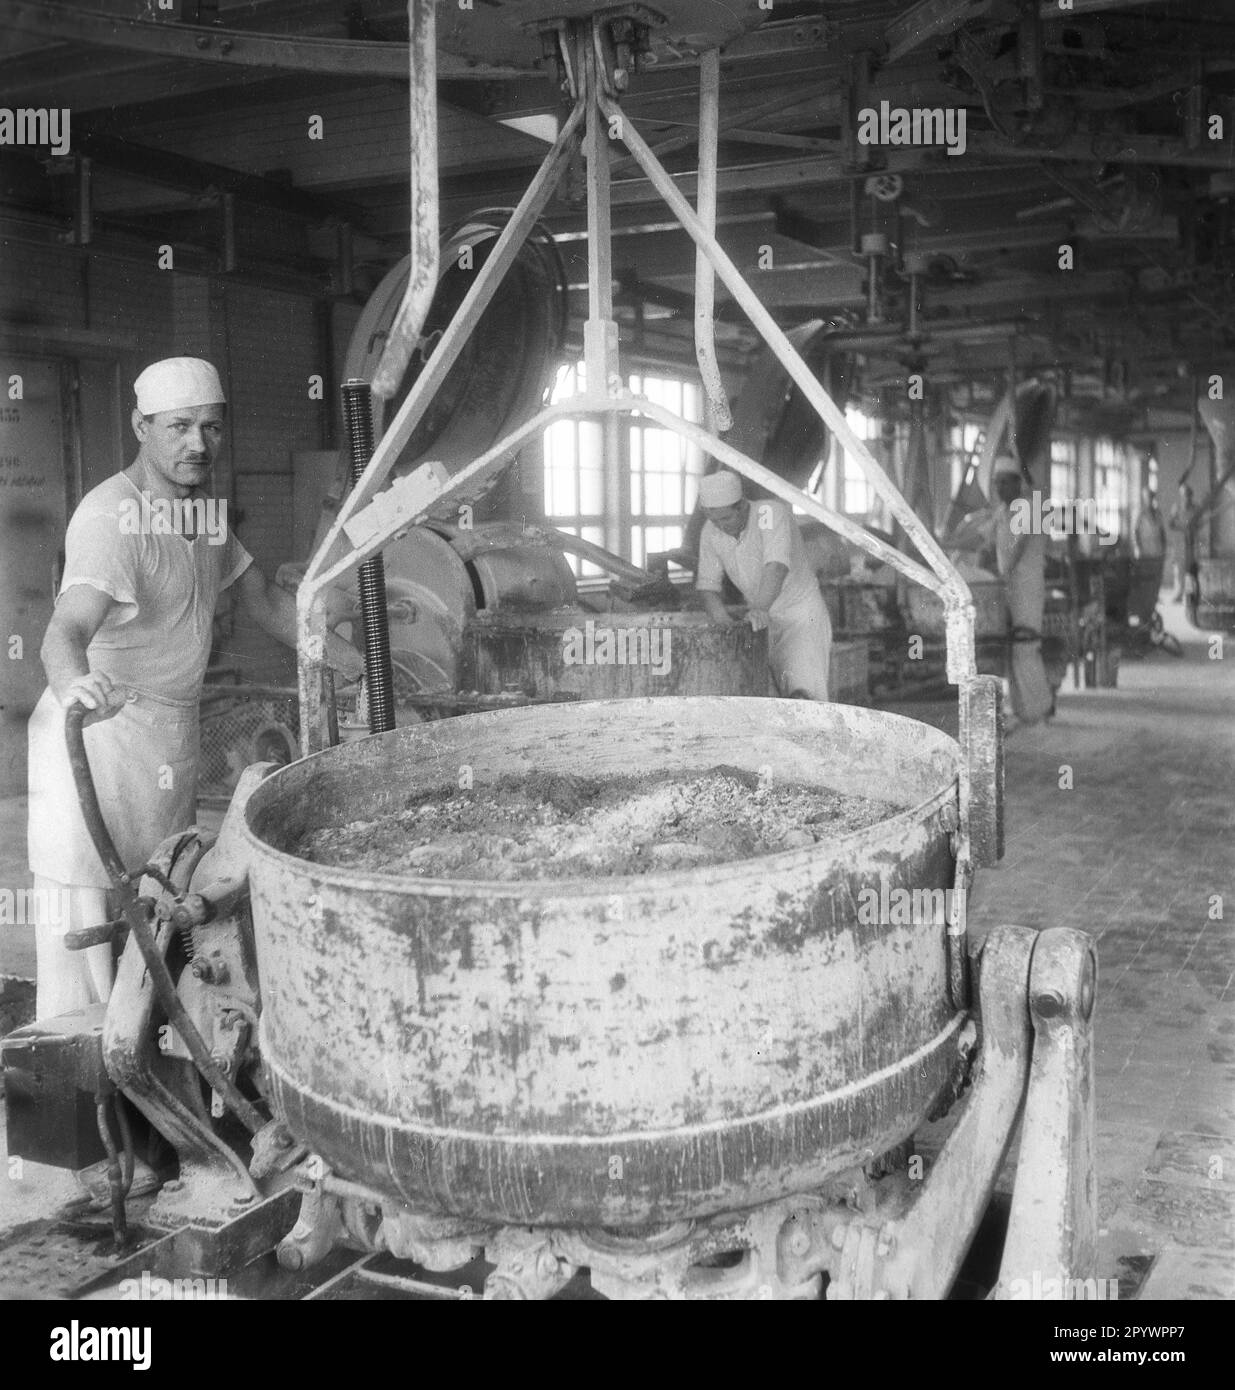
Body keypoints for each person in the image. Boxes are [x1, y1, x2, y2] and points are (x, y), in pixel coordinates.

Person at [28, 357, 364, 1023]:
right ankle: (78, 1084)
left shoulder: (202, 515)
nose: (197, 444)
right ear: (140, 427)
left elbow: (268, 603)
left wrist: (352, 662)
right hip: (97, 741)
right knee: (88, 930)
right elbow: (61, 632)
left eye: (211, 428)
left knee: (162, 907)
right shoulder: (111, 518)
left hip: (164, 739)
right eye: (179, 427)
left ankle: (153, 1081)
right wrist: (76, 691)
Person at [694, 470, 832, 700]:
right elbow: (707, 587)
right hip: (762, 622)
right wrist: (725, 624)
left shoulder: (768, 512)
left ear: (742, 506)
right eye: (713, 520)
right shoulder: (711, 530)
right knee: (768, 697)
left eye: (726, 519)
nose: (720, 526)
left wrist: (759, 608)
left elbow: (776, 565)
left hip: (800, 616)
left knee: (804, 693)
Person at [991, 453, 1053, 730]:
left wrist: (997, 577)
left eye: (1005, 483)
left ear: (1018, 484)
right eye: (997, 484)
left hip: (1026, 589)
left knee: (1026, 647)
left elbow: (1016, 551)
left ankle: (1039, 710)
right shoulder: (1002, 513)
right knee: (1013, 649)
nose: (1000, 489)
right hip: (1010, 589)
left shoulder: (1028, 509)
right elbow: (982, 538)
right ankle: (1020, 709)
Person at [1167, 481, 1197, 604]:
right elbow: (1170, 524)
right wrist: (1182, 528)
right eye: (1184, 495)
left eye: (1188, 495)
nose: (1186, 498)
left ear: (1191, 496)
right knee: (1179, 570)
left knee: (1190, 570)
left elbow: (1199, 524)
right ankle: (1179, 593)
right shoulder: (1177, 508)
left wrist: (1192, 530)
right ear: (1181, 496)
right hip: (1179, 543)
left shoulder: (1196, 509)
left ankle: (1189, 595)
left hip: (1191, 543)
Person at [1133, 486, 1167, 560]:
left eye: (1151, 498)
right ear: (1144, 500)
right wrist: (1138, 548)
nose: (1149, 500)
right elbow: (1136, 532)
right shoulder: (1140, 515)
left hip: (1158, 550)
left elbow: (1162, 531)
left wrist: (1164, 548)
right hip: (1145, 551)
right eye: (1147, 498)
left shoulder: (1158, 513)